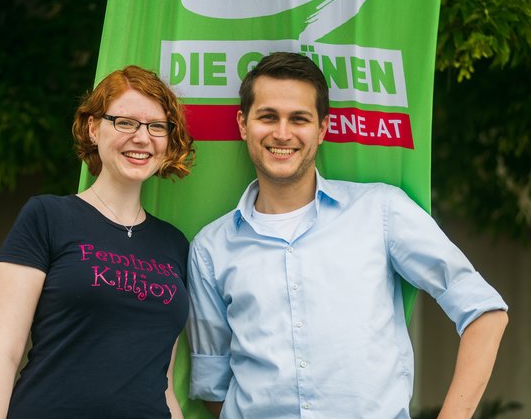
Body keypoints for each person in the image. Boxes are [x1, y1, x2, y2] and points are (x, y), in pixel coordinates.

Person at [186, 52, 508, 419]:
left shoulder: (381, 211)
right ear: (243, 124)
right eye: (268, 116)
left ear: (323, 129)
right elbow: (213, 384)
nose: (282, 133)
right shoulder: (210, 248)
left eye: (299, 119)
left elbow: (484, 311)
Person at [0, 65, 194, 419]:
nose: (142, 138)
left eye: (156, 126)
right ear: (93, 128)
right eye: (125, 122)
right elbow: (1, 356)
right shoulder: (47, 217)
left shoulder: (175, 244)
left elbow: (163, 384)